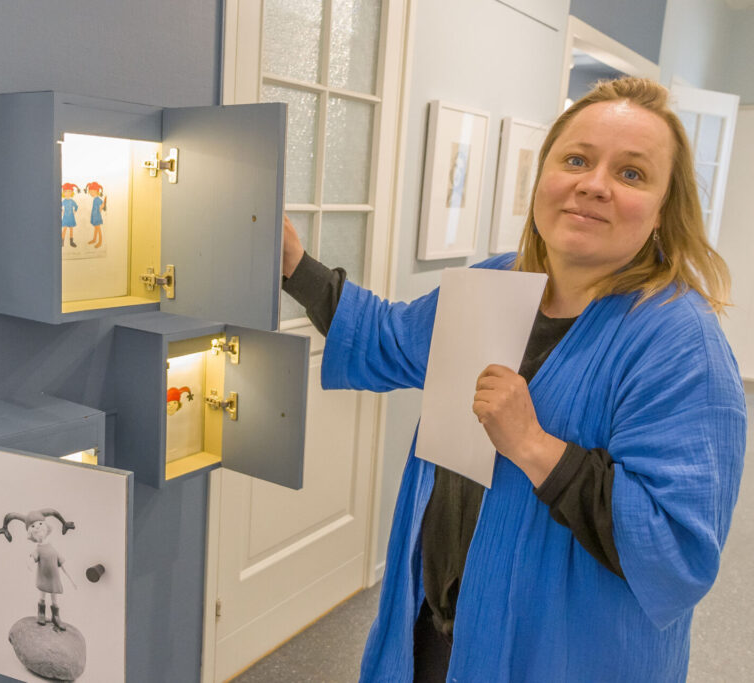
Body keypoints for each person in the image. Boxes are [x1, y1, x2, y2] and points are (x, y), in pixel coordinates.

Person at [282, 77, 746, 682]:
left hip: (559, 657)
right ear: (541, 179)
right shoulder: (496, 285)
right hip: (442, 626)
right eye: (575, 160)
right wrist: (295, 266)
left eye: (631, 173)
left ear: (663, 210)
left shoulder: (678, 344)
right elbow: (390, 338)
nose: (594, 184)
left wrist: (533, 445)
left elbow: (676, 549)